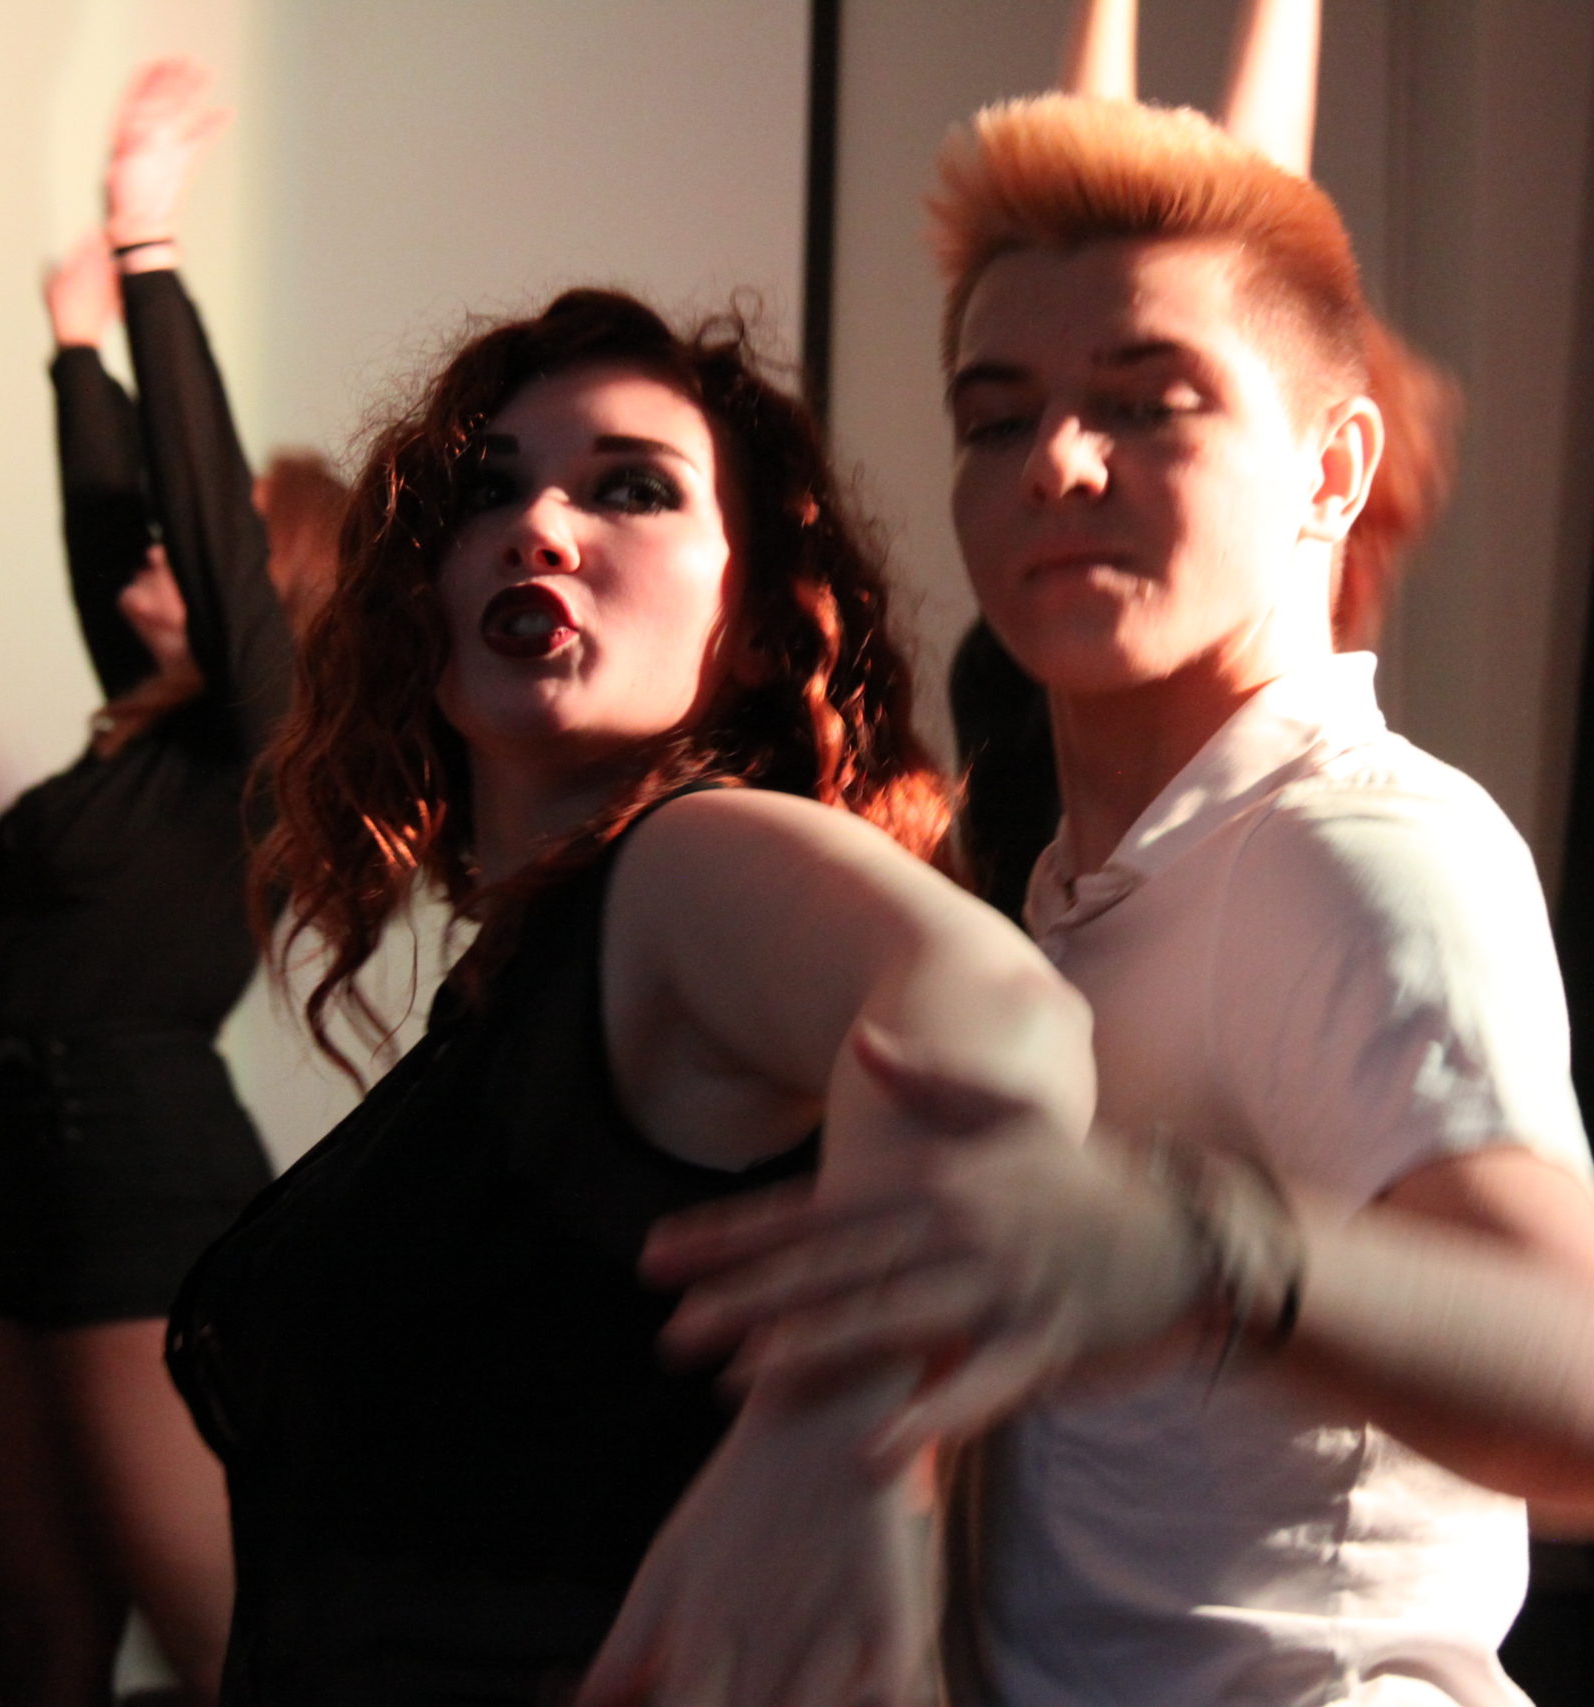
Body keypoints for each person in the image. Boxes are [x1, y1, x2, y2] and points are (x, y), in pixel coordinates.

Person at [641, 5, 1594, 1703]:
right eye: (997, 420)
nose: (1060, 465)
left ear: (1331, 470)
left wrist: (1198, 1248)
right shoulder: (1076, 887)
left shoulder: (1356, 851)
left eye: (1150, 404)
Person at [163, 285, 1097, 1707]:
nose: (540, 528)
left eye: (632, 490)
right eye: (490, 490)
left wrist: (834, 1433)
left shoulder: (684, 861)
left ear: (758, 618)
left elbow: (1001, 1013)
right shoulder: (525, 970)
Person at [0, 61, 342, 1707]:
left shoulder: (262, 744)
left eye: (212, 533)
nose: (164, 543)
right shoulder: (151, 739)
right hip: (19, 1194)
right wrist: (72, 351)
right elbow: (111, 528)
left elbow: (189, 519)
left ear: (274, 588)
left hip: (137, 1192)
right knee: (42, 1647)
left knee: (216, 1649)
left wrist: (151, 246)